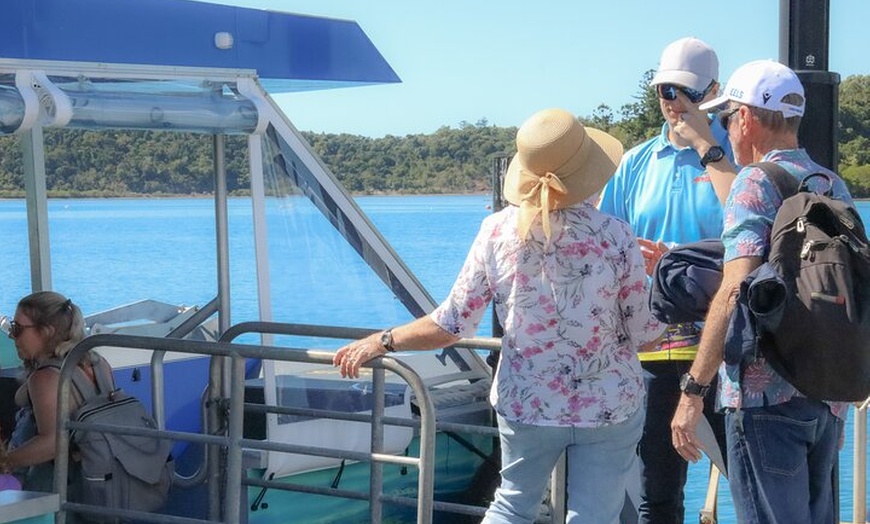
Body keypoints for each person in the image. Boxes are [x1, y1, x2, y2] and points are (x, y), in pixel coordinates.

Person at [334, 108, 664, 524]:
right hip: (608, 403)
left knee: (512, 504)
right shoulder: (616, 235)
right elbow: (644, 333)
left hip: (527, 399)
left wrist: (381, 341)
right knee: (596, 514)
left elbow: (450, 324)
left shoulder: (496, 231)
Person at [670, 59, 851, 524]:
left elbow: (734, 289)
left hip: (762, 398)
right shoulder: (831, 185)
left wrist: (693, 391)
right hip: (826, 395)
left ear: (747, 118)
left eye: (728, 118)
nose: (727, 129)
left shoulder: (753, 183)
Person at [597, 36, 735, 524]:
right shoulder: (635, 162)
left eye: (687, 92)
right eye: (665, 91)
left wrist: (677, 261)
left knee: (751, 482)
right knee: (659, 493)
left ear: (714, 92)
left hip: (723, 347)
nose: (674, 103)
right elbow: (605, 242)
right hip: (652, 349)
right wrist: (633, 258)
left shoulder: (732, 157)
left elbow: (755, 247)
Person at [0, 291, 112, 493]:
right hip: (102, 480)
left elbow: (53, 444)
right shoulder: (97, 364)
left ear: (46, 332)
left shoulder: (45, 377)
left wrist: (6, 462)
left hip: (61, 490)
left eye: (17, 329)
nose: (12, 336)